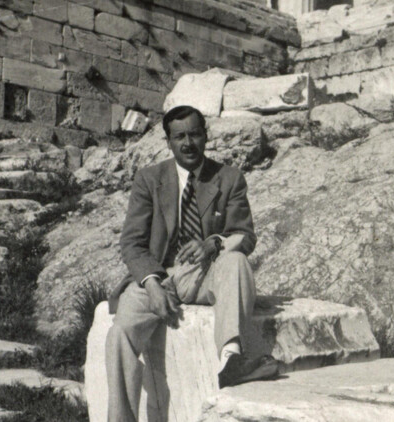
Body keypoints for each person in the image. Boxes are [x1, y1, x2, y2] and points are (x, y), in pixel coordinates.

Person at [105, 105, 279, 421]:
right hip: (159, 276)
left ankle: (232, 360)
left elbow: (245, 235)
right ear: (169, 141)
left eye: (195, 135)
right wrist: (152, 284)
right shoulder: (149, 180)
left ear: (205, 136)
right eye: (180, 137)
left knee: (236, 261)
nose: (188, 143)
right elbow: (132, 243)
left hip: (205, 273)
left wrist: (213, 243)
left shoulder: (229, 179)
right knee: (119, 335)